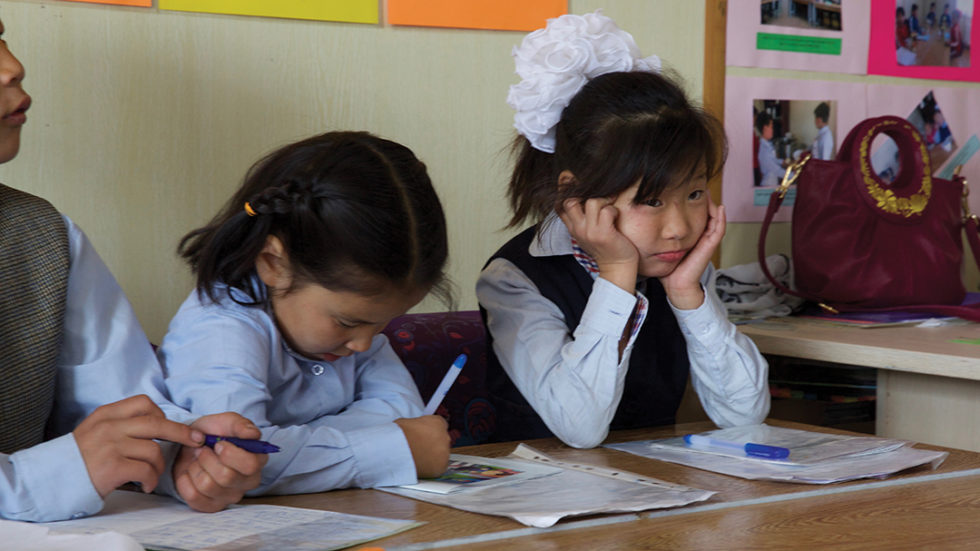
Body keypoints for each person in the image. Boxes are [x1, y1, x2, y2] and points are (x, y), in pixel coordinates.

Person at [0, 17, 265, 522]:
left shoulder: (48, 237)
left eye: (0, 38)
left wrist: (189, 459)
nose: (13, 68)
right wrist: (55, 473)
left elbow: (125, 408)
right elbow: (71, 465)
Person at [478, 12, 769, 448]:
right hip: (546, 500)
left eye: (693, 194)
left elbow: (744, 413)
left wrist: (689, 295)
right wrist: (616, 273)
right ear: (575, 196)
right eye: (650, 202)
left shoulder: (676, 272)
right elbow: (580, 429)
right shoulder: (515, 280)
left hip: (651, 490)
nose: (678, 229)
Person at [157, 131, 453, 495]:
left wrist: (299, 448)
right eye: (348, 322)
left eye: (383, 323)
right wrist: (390, 448)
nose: (365, 342)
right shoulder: (220, 329)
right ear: (272, 264)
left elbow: (406, 418)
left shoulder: (355, 331)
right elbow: (238, 462)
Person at [756, 112, 785, 187]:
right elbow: (777, 171)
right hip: (768, 184)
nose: (773, 130)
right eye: (771, 127)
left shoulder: (767, 145)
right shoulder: (764, 150)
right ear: (765, 128)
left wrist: (782, 162)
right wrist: (795, 175)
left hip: (772, 183)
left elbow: (772, 160)